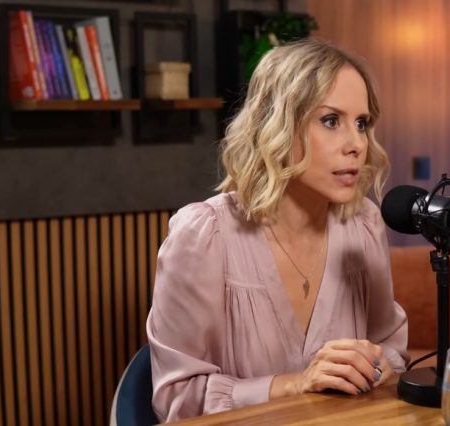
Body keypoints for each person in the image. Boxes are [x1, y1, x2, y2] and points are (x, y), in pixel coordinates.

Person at [146, 38, 409, 422]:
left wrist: (378, 364)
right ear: (277, 125)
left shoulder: (364, 226)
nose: (357, 144)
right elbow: (175, 398)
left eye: (362, 123)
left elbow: (391, 350)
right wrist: (294, 385)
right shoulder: (204, 236)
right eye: (331, 121)